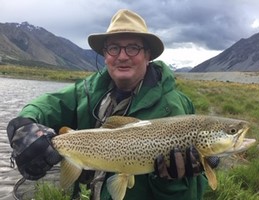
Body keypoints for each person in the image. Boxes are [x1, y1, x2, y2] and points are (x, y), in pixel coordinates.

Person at [7, 9, 218, 200]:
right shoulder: (92, 89)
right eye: (114, 48)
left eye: (133, 48)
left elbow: (192, 193)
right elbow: (50, 103)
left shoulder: (174, 107)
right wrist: (26, 123)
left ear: (148, 55)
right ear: (105, 55)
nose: (122, 56)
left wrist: (173, 183)